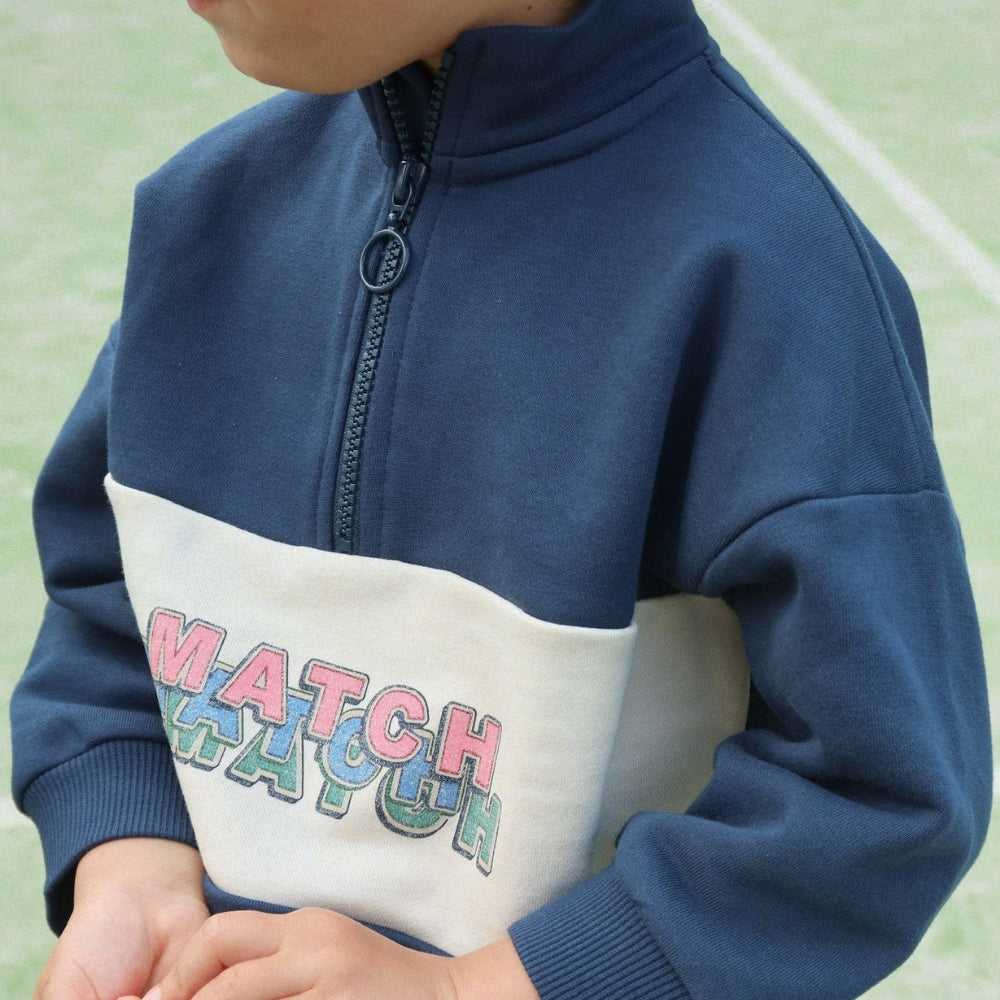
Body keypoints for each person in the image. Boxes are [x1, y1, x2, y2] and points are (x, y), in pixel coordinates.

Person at [11, 0, 992, 998]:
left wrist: (466, 987)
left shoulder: (768, 279)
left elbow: (879, 796)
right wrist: (131, 864)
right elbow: (113, 602)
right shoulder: (209, 210)